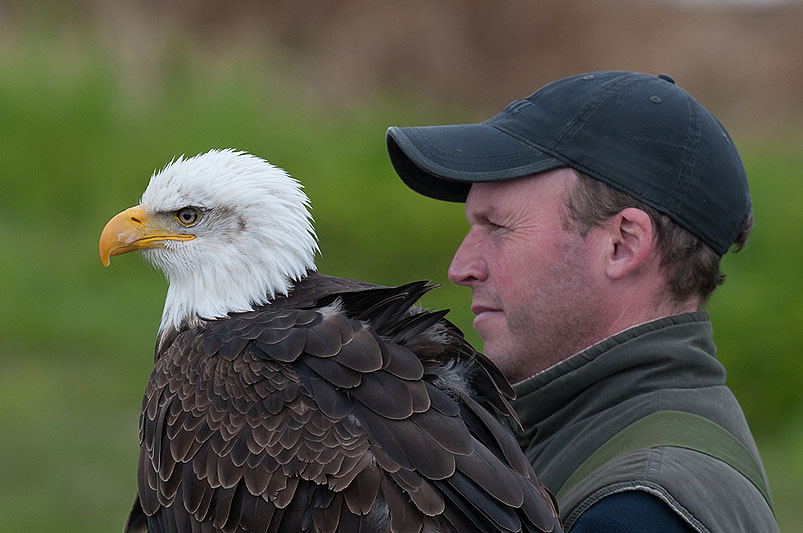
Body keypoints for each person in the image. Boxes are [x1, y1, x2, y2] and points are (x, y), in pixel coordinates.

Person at [386, 71, 779, 532]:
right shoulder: (592, 432)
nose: (461, 267)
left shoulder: (636, 512)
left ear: (622, 245)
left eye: (498, 226)